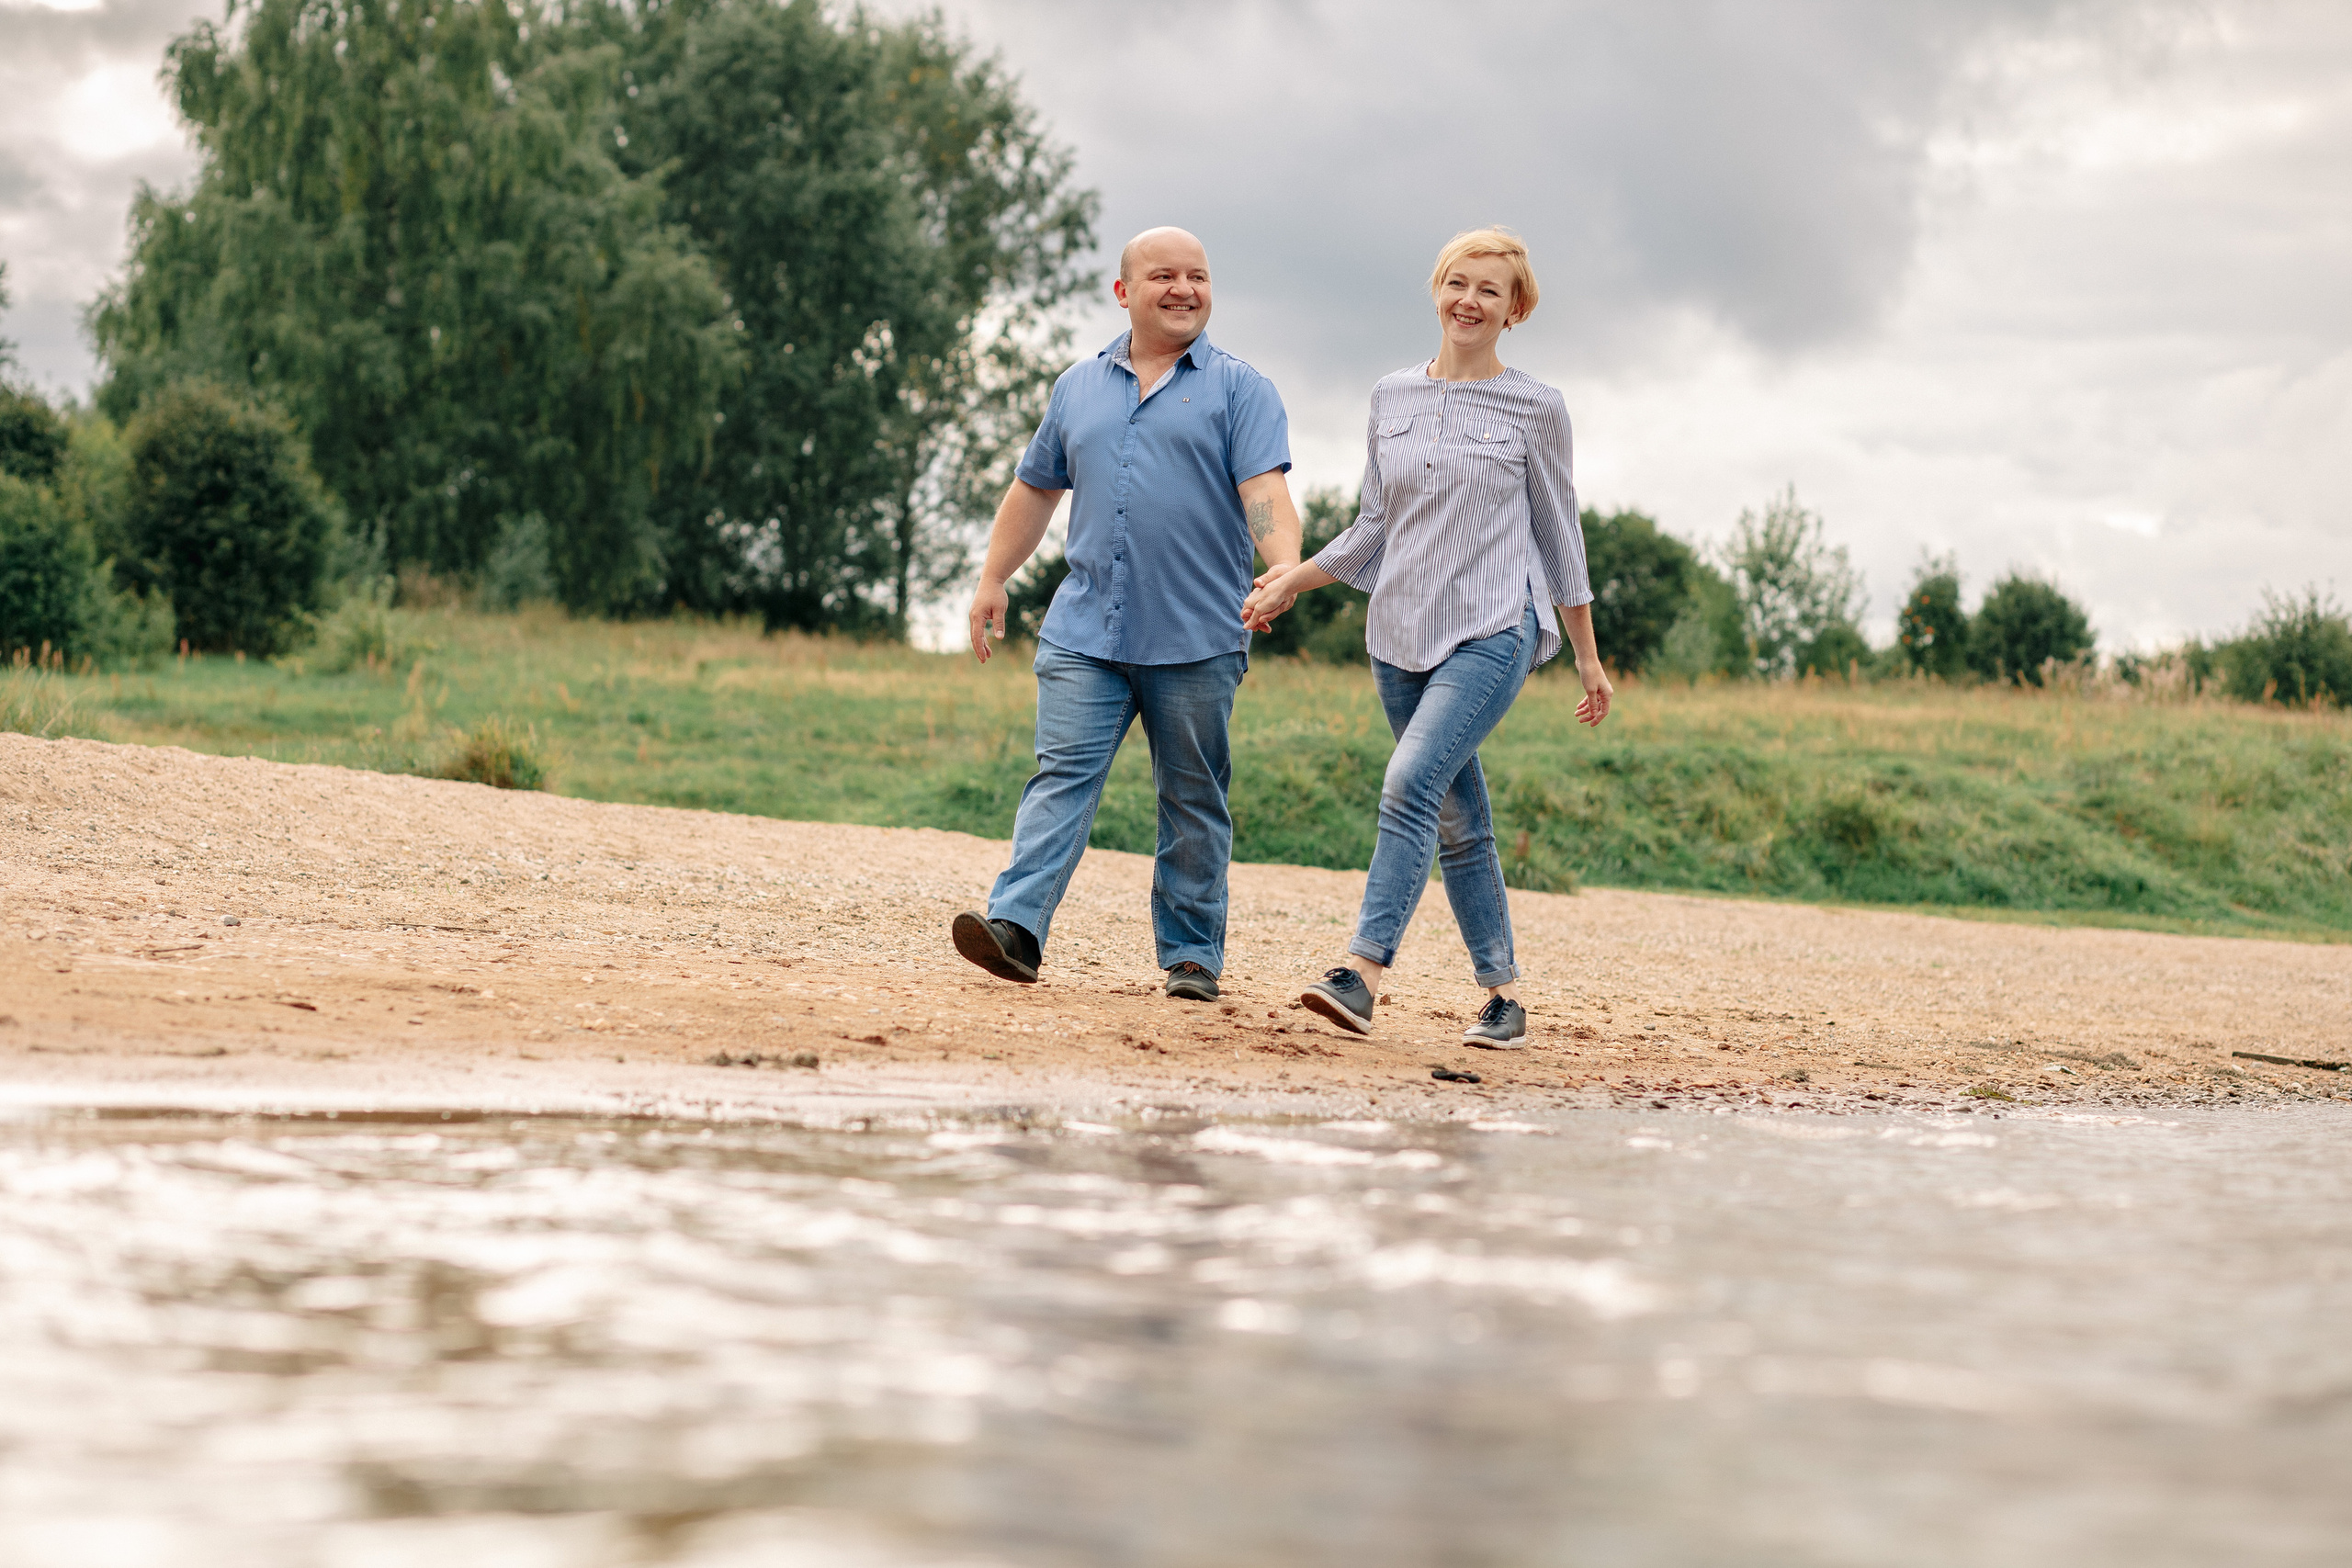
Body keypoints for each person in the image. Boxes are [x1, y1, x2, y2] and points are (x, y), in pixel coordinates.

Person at [1240, 227, 1611, 1048]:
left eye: (1489, 290)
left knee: (1409, 783)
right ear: (1437, 289)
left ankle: (1360, 973)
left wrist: (1585, 654)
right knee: (1456, 815)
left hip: (1493, 627)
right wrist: (1293, 578)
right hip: (1398, 634)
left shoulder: (1537, 407)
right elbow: (1374, 526)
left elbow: (1560, 537)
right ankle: (1503, 997)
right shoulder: (1390, 396)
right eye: (1457, 283)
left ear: (1515, 310)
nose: (1469, 301)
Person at [953, 226, 1302, 1002]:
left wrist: (1282, 566)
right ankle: (1016, 930)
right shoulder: (1077, 386)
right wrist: (992, 576)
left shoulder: (1241, 389)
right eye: (1164, 276)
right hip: (1084, 631)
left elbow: (1265, 492)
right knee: (1062, 776)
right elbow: (1036, 488)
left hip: (1197, 635)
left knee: (1191, 796)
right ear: (1124, 292)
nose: (1184, 289)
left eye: (1198, 276)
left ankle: (1190, 957)